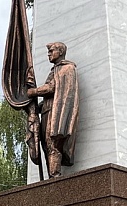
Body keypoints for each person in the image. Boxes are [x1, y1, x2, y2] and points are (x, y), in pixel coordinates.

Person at [27, 42, 79, 178]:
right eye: (48, 52)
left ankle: (54, 177)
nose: (49, 54)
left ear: (60, 52)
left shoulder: (66, 68)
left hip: (55, 114)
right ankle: (52, 177)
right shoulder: (55, 70)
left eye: (51, 51)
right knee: (46, 147)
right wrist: (36, 107)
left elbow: (51, 87)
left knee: (53, 146)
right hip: (47, 112)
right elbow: (52, 96)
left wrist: (34, 91)